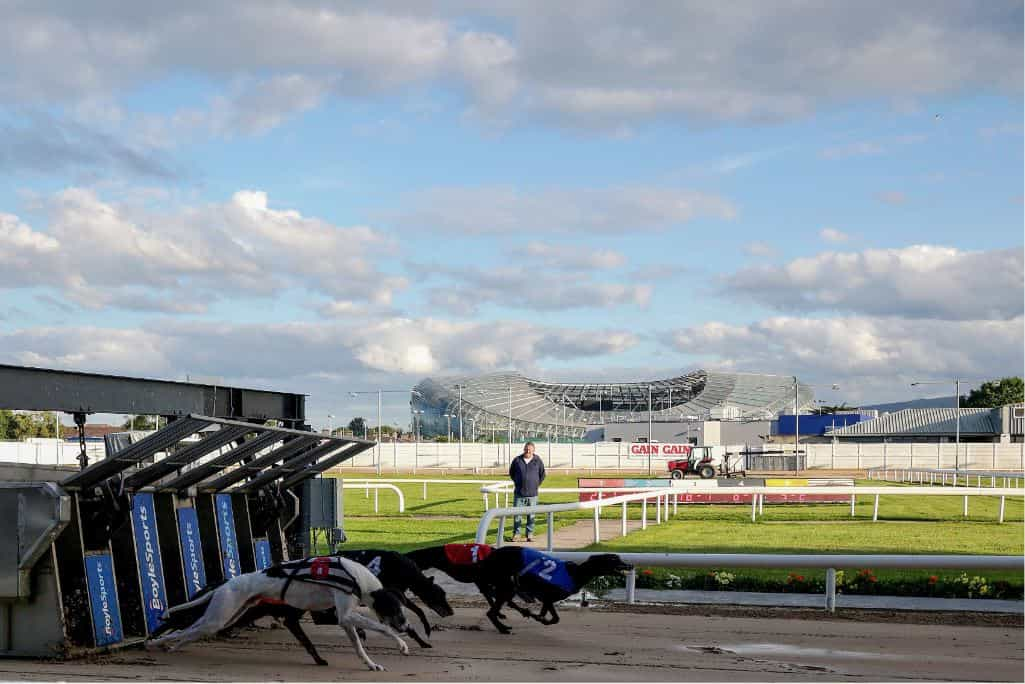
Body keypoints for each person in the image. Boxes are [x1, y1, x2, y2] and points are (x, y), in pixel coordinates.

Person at [508, 441, 546, 542]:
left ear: (533, 450)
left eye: (530, 449)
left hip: (533, 495)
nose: (528, 451)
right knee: (517, 516)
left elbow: (542, 474)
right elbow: (511, 473)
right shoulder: (517, 460)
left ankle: (529, 534)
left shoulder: (538, 460)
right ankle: (516, 534)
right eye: (526, 448)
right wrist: (518, 482)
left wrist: (535, 484)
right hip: (519, 494)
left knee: (531, 515)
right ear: (524, 449)